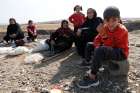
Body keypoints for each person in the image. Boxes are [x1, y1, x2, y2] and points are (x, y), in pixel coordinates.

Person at [78, 6, 129, 88]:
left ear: (119, 19)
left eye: (114, 20)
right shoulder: (105, 27)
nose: (110, 23)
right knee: (89, 44)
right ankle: (88, 62)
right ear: (104, 20)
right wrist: (98, 46)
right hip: (109, 49)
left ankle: (93, 77)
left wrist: (103, 37)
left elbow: (111, 45)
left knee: (100, 49)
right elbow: (96, 40)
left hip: (121, 52)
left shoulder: (122, 30)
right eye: (107, 20)